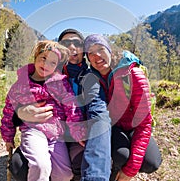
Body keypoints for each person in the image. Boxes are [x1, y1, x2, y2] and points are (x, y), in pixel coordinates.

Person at [12, 29, 112, 181]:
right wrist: (20, 112)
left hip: (76, 137)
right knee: (19, 167)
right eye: (66, 43)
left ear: (83, 51)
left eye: (77, 43)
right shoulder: (47, 72)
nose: (72, 47)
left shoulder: (90, 78)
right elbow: (15, 101)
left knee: (79, 163)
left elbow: (98, 112)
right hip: (45, 133)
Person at [0, 40, 86, 181]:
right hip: (34, 130)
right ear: (35, 58)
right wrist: (8, 136)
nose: (46, 65)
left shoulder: (59, 83)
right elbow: (9, 111)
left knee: (65, 174)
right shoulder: (21, 84)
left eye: (52, 63)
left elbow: (71, 106)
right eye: (43, 59)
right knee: (41, 166)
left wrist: (77, 132)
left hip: (56, 134)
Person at [84, 34, 162, 181]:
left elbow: (145, 122)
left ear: (110, 50)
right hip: (114, 127)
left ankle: (122, 172)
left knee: (151, 162)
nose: (97, 56)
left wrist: (130, 170)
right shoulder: (92, 78)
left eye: (100, 49)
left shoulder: (132, 73)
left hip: (136, 126)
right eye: (91, 53)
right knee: (121, 156)